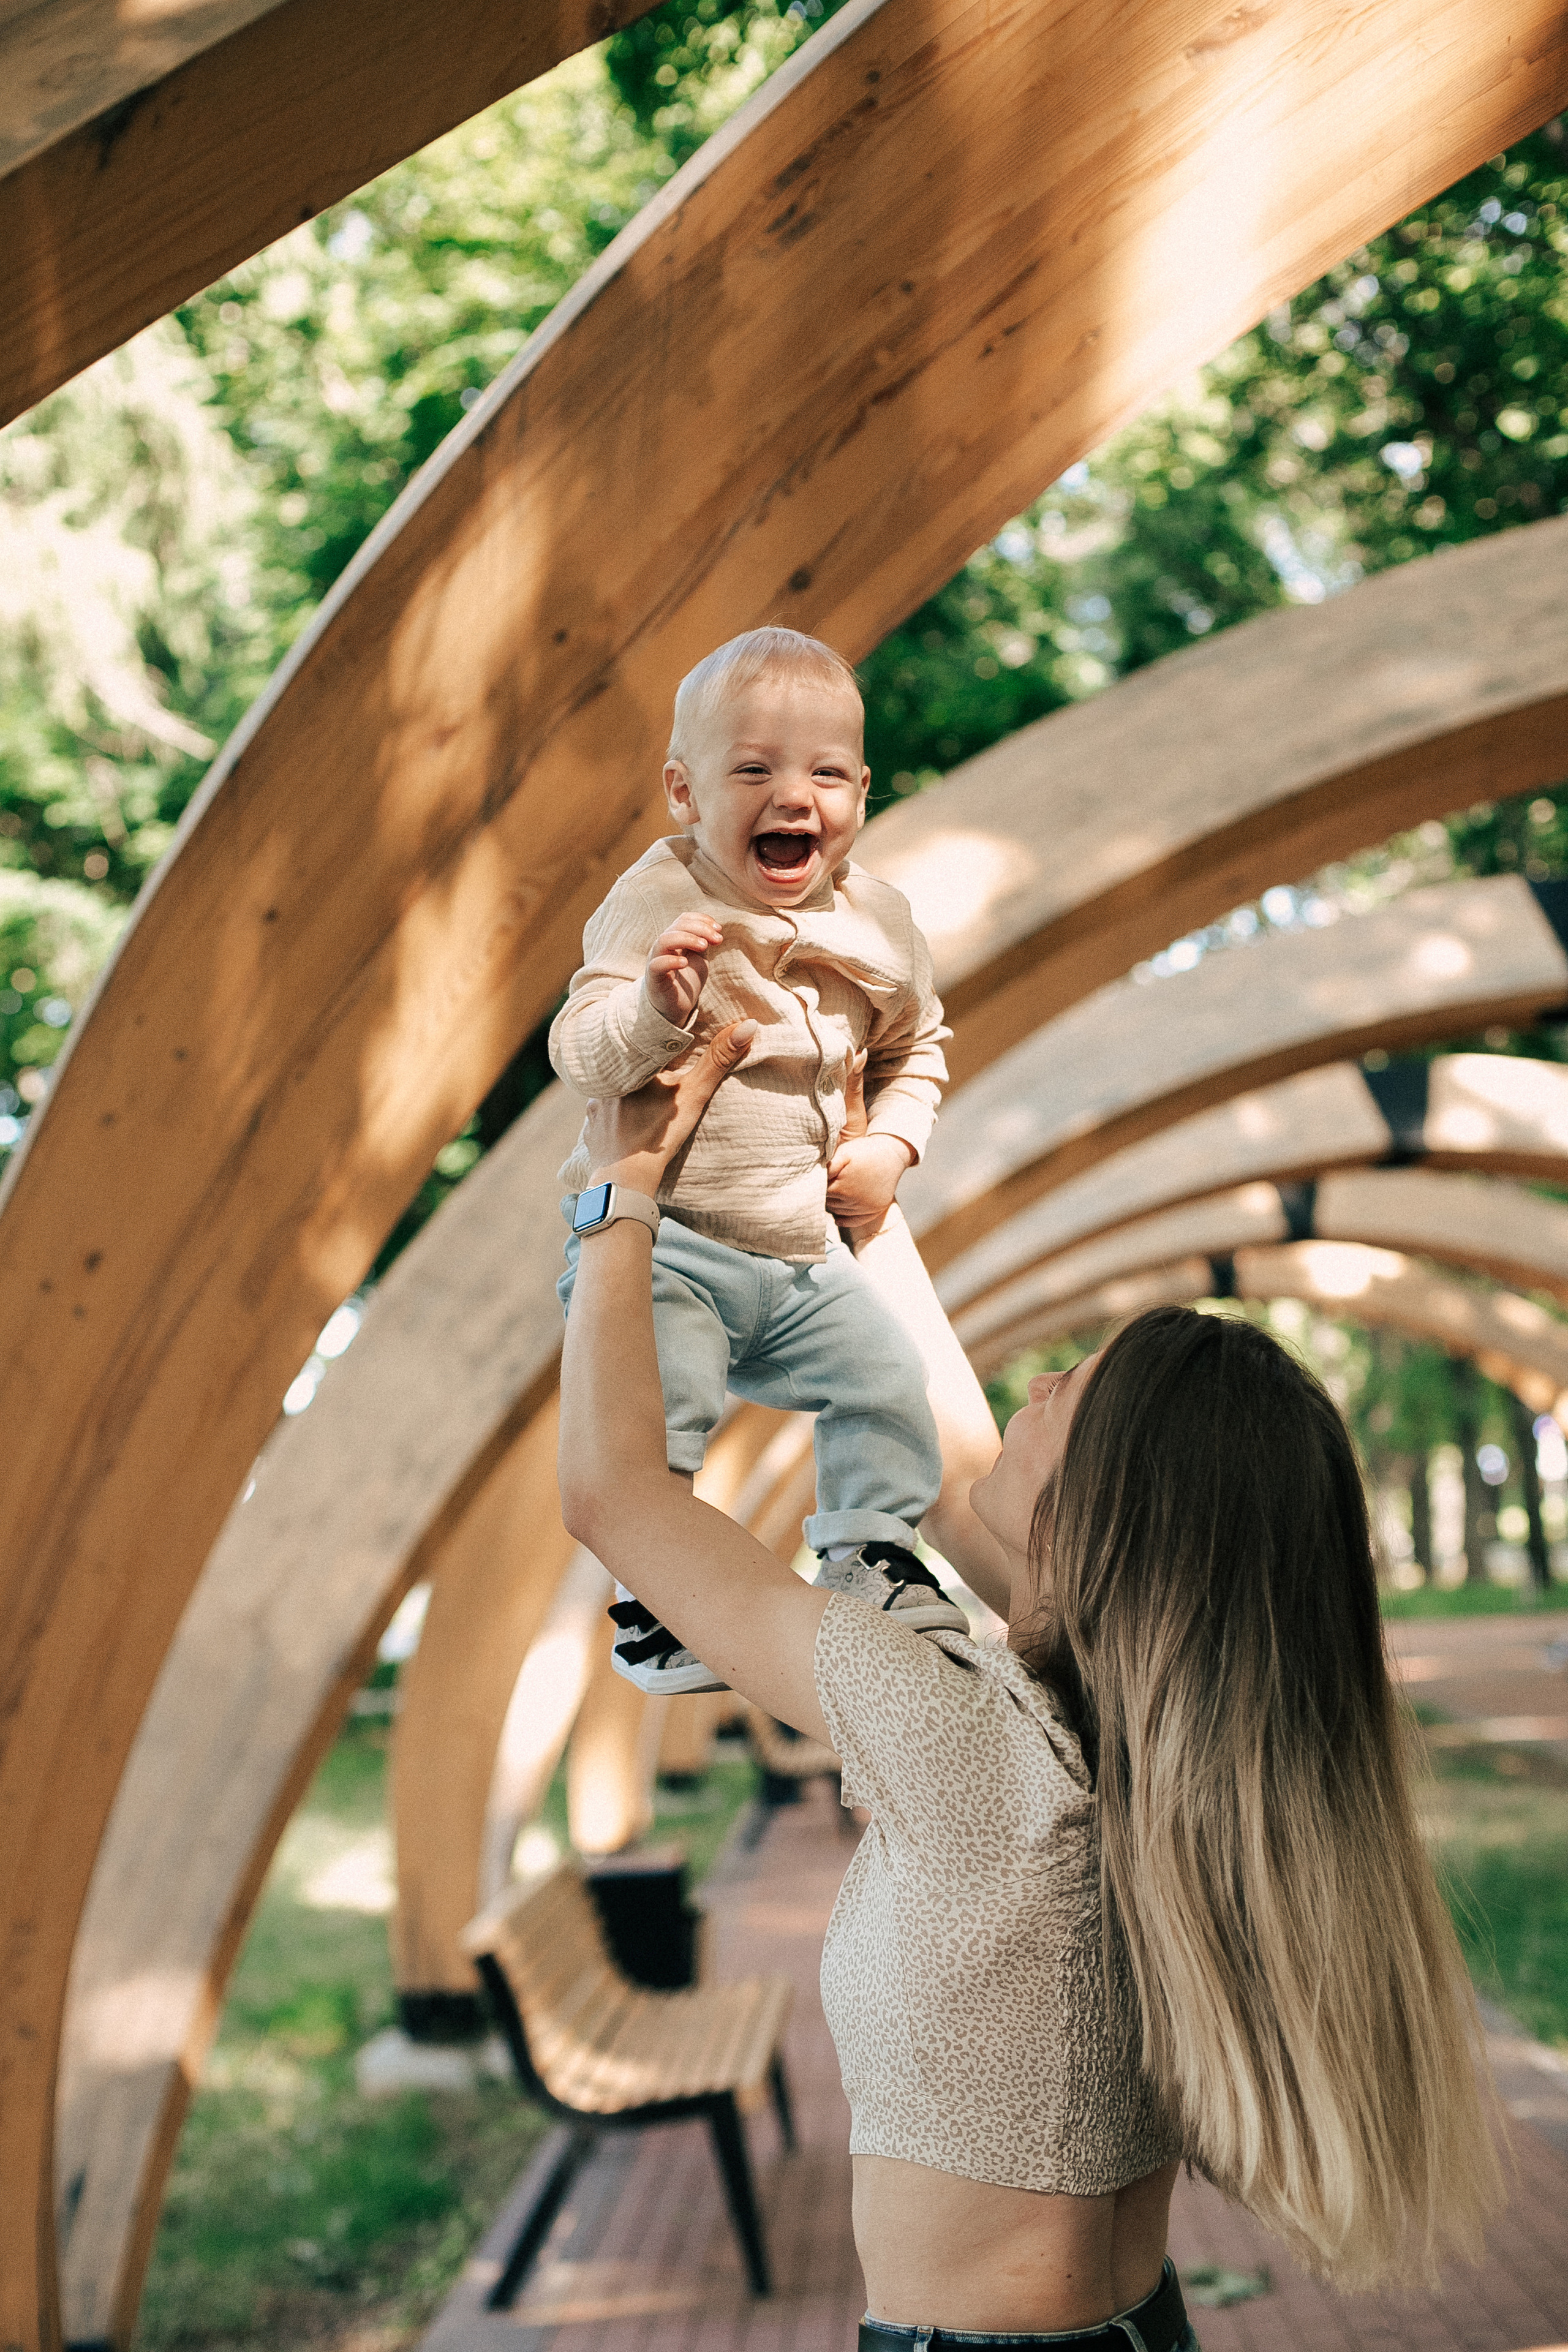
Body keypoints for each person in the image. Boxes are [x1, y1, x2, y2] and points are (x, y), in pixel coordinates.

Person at [556, 1025, 1504, 2350]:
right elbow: (954, 1466)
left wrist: (622, 1189)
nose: (1041, 1382)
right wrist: (864, 1214)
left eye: (1078, 1391)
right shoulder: (1143, 1736)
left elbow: (616, 1494)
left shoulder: (957, 1738)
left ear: (1103, 1513)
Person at [551, 625, 965, 1695]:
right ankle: (658, 1604)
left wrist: (891, 1142)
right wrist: (653, 1010)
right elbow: (580, 1050)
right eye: (755, 770)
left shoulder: (881, 920)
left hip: (800, 1252)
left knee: (887, 1377)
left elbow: (917, 1045)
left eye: (827, 772)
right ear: (685, 794)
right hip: (675, 1245)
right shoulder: (660, 902)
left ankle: (872, 1555)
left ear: (862, 795)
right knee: (665, 1402)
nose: (796, 796)